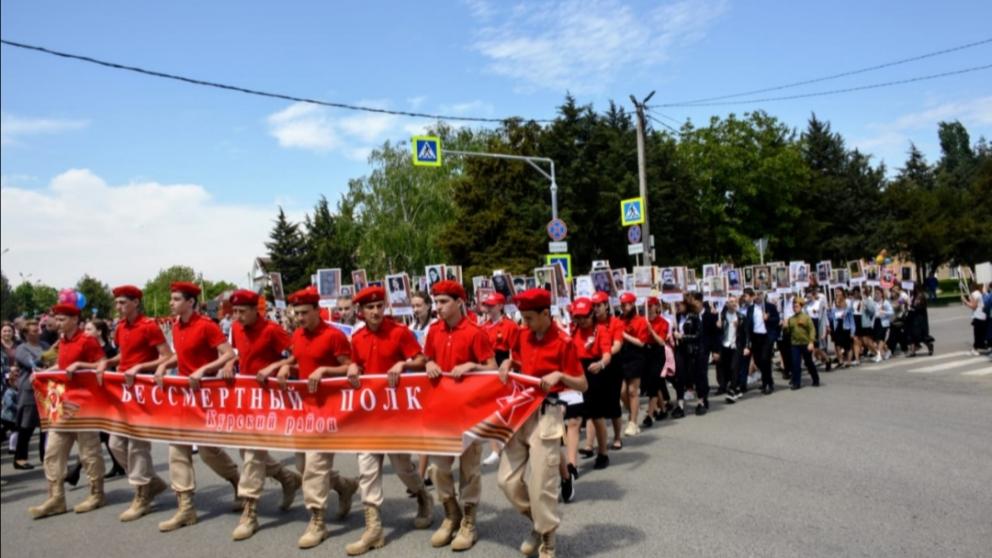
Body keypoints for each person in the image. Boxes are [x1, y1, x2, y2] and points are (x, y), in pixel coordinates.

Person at [497, 288, 587, 558]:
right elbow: (518, 361)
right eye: (522, 317)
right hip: (521, 411)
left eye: (529, 318)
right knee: (506, 481)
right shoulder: (522, 334)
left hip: (548, 413)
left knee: (541, 484)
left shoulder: (564, 341)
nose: (524, 323)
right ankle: (539, 522)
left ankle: (548, 539)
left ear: (546, 314)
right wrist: (509, 364)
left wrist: (560, 375)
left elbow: (583, 384)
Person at [345, 285, 434, 555]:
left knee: (403, 468)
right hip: (369, 416)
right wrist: (353, 367)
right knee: (367, 470)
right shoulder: (357, 338)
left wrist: (403, 364)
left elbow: (422, 360)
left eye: (379, 306)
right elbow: (356, 364)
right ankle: (373, 529)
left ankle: (423, 496)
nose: (375, 311)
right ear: (361, 311)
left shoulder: (399, 332)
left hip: (395, 416)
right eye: (369, 307)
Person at [269, 286, 360, 549]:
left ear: (318, 311)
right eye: (296, 313)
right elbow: (300, 359)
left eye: (304, 313)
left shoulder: (334, 336)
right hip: (304, 410)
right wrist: (286, 367)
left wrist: (325, 371)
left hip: (328, 410)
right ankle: (343, 486)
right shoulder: (297, 334)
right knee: (303, 465)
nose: (300, 318)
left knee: (315, 466)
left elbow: (350, 368)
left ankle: (317, 520)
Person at [155, 281, 242, 533]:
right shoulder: (176, 326)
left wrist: (204, 370)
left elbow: (228, 353)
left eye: (176, 299)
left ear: (190, 302)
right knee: (177, 448)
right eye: (171, 299)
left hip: (205, 397)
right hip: (183, 396)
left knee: (207, 452)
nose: (171, 303)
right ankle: (186, 507)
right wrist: (163, 365)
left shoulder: (206, 326)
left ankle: (237, 480)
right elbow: (180, 355)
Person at [222, 289, 305, 541]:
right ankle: (288, 478)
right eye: (234, 312)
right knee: (247, 451)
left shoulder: (272, 330)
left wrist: (276, 367)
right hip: (247, 400)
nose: (237, 316)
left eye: (242, 312)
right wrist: (230, 363)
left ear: (254, 311)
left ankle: (250, 512)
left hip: (272, 400)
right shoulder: (236, 329)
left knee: (252, 454)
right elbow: (240, 354)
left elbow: (298, 356)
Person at [423, 280, 495, 550]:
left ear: (459, 302)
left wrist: (473, 366)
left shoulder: (475, 332)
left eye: (444, 302)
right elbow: (426, 358)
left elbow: (492, 368)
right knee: (438, 468)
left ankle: (469, 521)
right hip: (441, 413)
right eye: (436, 302)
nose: (438, 307)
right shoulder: (433, 331)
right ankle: (450, 514)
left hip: (469, 413)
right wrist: (429, 362)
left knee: (469, 470)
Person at [93, 285, 172, 521]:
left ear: (135, 303)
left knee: (137, 445)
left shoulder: (149, 326)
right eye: (117, 303)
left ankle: (141, 495)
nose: (118, 307)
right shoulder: (120, 327)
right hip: (123, 392)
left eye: (122, 303)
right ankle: (151, 482)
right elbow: (124, 355)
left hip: (142, 392)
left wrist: (140, 367)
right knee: (115, 443)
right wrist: (108, 362)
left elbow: (166, 356)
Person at [28, 302, 106, 519]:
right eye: (57, 319)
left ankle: (97, 493)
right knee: (53, 451)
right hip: (62, 404)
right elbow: (63, 366)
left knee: (89, 452)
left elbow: (102, 364)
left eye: (62, 319)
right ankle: (56, 498)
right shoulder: (62, 340)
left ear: (74, 320)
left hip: (85, 405)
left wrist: (81, 365)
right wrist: (42, 374)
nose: (57, 322)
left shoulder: (87, 340)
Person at [570, 297, 612, 470]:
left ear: (591, 314)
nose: (581, 321)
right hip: (576, 373)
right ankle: (571, 464)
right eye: (577, 317)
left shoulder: (601, 330)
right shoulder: (573, 330)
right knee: (574, 419)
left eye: (584, 317)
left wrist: (601, 364)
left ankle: (603, 453)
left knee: (597, 416)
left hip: (595, 373)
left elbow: (607, 354)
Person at [589, 291, 624, 449]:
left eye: (599, 305)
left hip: (612, 365)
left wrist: (604, 353)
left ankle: (617, 437)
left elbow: (617, 345)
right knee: (593, 404)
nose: (596, 309)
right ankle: (589, 444)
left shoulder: (616, 322)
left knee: (613, 403)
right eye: (593, 306)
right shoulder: (590, 323)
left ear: (606, 306)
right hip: (593, 364)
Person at [13, 320, 48, 470]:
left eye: (38, 330)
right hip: (29, 390)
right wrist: (47, 358)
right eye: (34, 331)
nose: (38, 333)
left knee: (45, 425)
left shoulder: (45, 345)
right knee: (26, 425)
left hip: (46, 389)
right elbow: (32, 364)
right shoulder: (22, 348)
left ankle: (45, 456)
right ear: (26, 334)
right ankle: (20, 458)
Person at [617, 292, 650, 435]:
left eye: (626, 305)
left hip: (636, 357)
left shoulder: (640, 321)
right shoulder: (618, 320)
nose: (623, 307)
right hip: (622, 357)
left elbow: (641, 342)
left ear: (632, 305)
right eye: (622, 305)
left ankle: (633, 422)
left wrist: (624, 335)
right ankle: (633, 412)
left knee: (632, 390)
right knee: (621, 391)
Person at [744, 288, 780, 395]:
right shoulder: (751, 309)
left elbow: (777, 320)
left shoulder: (770, 307)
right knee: (757, 360)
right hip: (756, 337)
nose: (758, 296)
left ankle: (767, 384)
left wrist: (768, 319)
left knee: (765, 359)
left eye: (760, 294)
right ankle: (768, 379)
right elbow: (748, 325)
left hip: (766, 337)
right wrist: (748, 339)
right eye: (756, 294)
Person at [643, 296, 671, 423]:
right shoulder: (643, 320)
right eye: (646, 306)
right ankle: (663, 409)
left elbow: (661, 341)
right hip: (646, 352)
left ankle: (649, 415)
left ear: (656, 307)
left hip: (658, 353)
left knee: (654, 382)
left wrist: (651, 330)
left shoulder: (663, 322)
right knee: (656, 383)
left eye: (650, 306)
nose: (648, 309)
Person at [785, 297, 820, 390]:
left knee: (808, 362)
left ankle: (815, 378)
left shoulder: (806, 317)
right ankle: (796, 383)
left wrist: (811, 342)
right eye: (794, 306)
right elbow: (788, 332)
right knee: (795, 363)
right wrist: (785, 327)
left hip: (805, 343)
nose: (795, 308)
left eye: (796, 306)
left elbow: (812, 330)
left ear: (801, 307)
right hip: (795, 344)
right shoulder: (791, 319)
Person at [716, 296, 746, 404]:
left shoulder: (741, 317)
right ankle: (735, 387)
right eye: (731, 302)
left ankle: (732, 391)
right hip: (725, 345)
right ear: (727, 304)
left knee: (734, 367)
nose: (733, 303)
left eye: (735, 302)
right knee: (727, 369)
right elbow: (716, 333)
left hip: (736, 345)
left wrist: (747, 346)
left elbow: (746, 333)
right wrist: (718, 326)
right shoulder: (722, 316)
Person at [827, 289, 856, 368]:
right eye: (836, 302)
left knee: (847, 346)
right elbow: (830, 318)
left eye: (839, 302)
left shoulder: (848, 310)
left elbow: (852, 322)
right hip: (837, 328)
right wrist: (829, 311)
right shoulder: (834, 310)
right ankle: (840, 360)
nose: (837, 303)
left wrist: (852, 332)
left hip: (846, 328)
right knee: (837, 345)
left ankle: (849, 362)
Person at [961, 280, 988, 355]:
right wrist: (968, 301)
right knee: (981, 334)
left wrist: (965, 301)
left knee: (977, 334)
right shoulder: (979, 293)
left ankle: (975, 349)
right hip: (983, 316)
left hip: (978, 316)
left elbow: (973, 306)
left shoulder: (975, 294)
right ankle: (979, 347)